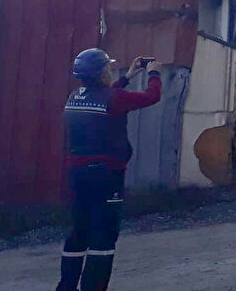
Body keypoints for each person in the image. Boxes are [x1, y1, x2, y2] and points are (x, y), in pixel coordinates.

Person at [57, 49, 162, 291]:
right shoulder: (115, 99)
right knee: (103, 235)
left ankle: (66, 286)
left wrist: (129, 75)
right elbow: (151, 97)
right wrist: (154, 73)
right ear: (101, 72)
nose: (109, 71)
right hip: (105, 176)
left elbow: (106, 96)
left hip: (76, 175)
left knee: (78, 232)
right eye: (107, 68)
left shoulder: (75, 96)